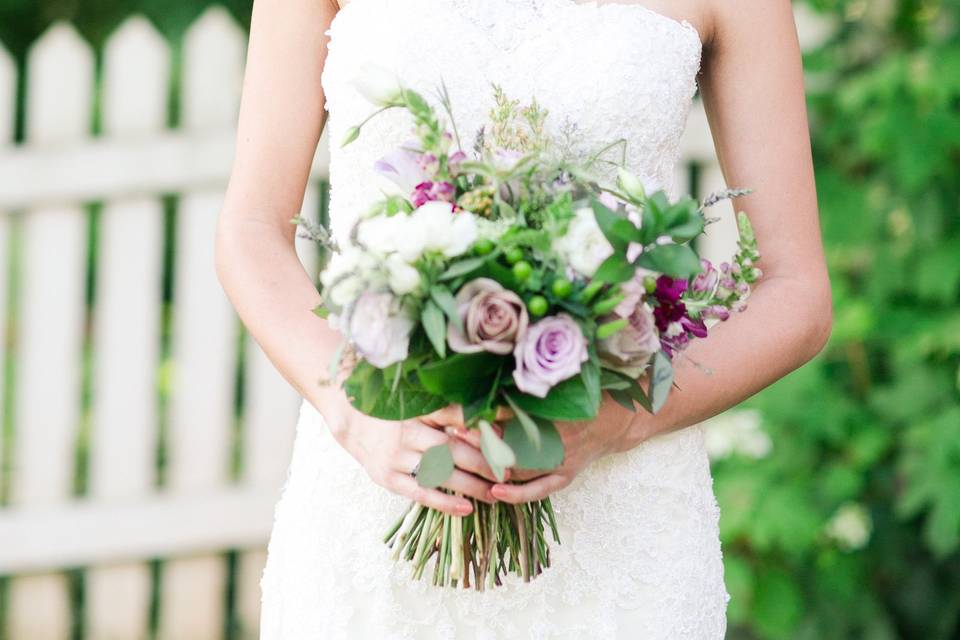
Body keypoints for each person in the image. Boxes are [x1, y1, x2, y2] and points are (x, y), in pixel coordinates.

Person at [215, 0, 831, 637]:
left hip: (619, 537)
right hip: (377, 493)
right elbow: (251, 226)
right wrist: (352, 405)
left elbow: (797, 294)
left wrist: (619, 419)